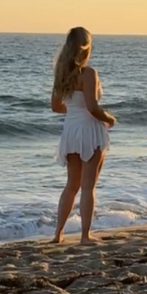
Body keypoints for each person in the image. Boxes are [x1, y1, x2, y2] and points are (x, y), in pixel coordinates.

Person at [50, 26, 115, 244]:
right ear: (85, 48)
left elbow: (56, 106)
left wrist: (74, 112)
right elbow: (93, 107)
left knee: (71, 185)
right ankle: (85, 235)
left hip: (70, 130)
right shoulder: (88, 73)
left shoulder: (61, 72)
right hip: (89, 130)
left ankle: (58, 233)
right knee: (88, 186)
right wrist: (110, 119)